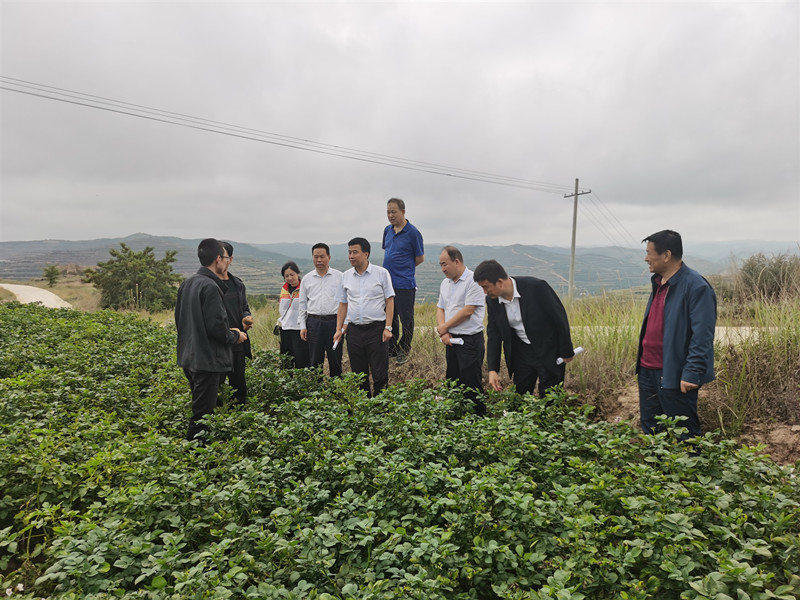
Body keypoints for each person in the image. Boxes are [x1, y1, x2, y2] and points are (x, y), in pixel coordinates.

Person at [637, 230, 716, 439]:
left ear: (666, 255)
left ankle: (692, 470)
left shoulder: (696, 286)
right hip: (647, 370)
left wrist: (692, 371)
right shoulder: (658, 282)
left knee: (685, 435)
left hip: (674, 373)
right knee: (652, 432)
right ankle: (656, 472)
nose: (646, 258)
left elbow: (703, 336)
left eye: (649, 253)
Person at [175, 238, 247, 442]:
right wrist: (236, 335)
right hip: (207, 360)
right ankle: (196, 458)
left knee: (202, 407)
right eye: (225, 258)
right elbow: (218, 329)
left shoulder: (188, 283)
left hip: (189, 357)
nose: (227, 262)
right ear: (218, 259)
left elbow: (180, 320)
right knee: (202, 416)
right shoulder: (211, 286)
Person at [473, 259, 574, 398]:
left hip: (548, 350)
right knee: (520, 396)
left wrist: (566, 351)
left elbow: (559, 318)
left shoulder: (536, 287)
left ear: (500, 282)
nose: (484, 292)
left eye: (486, 287)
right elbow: (494, 334)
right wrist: (492, 369)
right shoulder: (493, 301)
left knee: (550, 397)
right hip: (521, 353)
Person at [334, 237, 395, 396]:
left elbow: (390, 300)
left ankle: (381, 411)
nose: (351, 256)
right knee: (359, 375)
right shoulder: (346, 276)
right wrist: (339, 329)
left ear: (366, 254)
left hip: (376, 330)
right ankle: (364, 411)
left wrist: (388, 327)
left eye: (355, 252)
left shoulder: (381, 273)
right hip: (354, 332)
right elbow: (343, 304)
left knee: (380, 374)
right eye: (349, 252)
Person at [435, 246, 487, 415]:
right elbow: (440, 308)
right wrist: (444, 332)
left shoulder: (473, 281)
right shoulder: (445, 283)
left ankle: (478, 420)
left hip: (469, 341)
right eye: (441, 265)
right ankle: (456, 420)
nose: (443, 269)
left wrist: (444, 327)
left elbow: (468, 310)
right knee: (453, 382)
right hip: (451, 340)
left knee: (471, 384)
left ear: (456, 261)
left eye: (445, 264)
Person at [382, 197, 424, 364]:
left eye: (394, 212)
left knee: (406, 319)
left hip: (404, 283)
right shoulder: (387, 230)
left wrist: (406, 268)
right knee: (390, 318)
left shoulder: (413, 232)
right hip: (387, 282)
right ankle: (392, 349)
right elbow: (388, 252)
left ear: (403, 212)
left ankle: (404, 349)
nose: (390, 215)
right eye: (388, 212)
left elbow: (420, 258)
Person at [298, 243, 344, 376]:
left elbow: (345, 303)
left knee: (335, 360)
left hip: (334, 322)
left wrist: (341, 326)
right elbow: (302, 304)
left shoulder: (339, 277)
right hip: (313, 323)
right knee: (314, 361)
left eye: (322, 257)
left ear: (329, 257)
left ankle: (337, 392)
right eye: (316, 257)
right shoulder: (307, 279)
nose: (319, 260)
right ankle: (316, 392)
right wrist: (302, 326)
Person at [219, 241, 253, 405]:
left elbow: (244, 307)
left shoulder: (237, 284)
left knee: (238, 386)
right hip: (217, 344)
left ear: (230, 259)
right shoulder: (207, 285)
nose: (218, 259)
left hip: (238, 341)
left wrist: (246, 318)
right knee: (215, 388)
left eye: (222, 256)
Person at [278, 261, 310, 368]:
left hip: (299, 329)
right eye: (286, 276)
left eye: (292, 274)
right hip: (285, 329)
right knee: (286, 361)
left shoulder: (304, 288)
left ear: (298, 273)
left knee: (302, 359)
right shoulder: (284, 289)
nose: (290, 278)